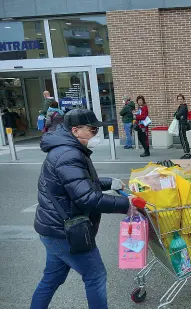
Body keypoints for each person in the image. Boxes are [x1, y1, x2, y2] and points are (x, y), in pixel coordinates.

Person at [30, 109, 136, 309]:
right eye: (92, 130)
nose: (96, 134)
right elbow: (87, 197)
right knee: (95, 276)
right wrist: (126, 205)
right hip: (66, 233)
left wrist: (108, 183)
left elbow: (77, 183)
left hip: (53, 229)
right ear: (76, 130)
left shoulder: (65, 149)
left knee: (51, 279)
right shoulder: (69, 154)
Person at [174, 94, 191, 159]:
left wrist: (178, 115)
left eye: (181, 99)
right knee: (183, 138)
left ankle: (187, 153)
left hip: (182, 124)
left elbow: (177, 115)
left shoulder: (183, 107)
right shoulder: (181, 107)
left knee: (183, 139)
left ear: (183, 100)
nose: (180, 100)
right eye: (179, 99)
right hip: (181, 124)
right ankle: (187, 152)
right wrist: (177, 115)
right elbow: (175, 115)